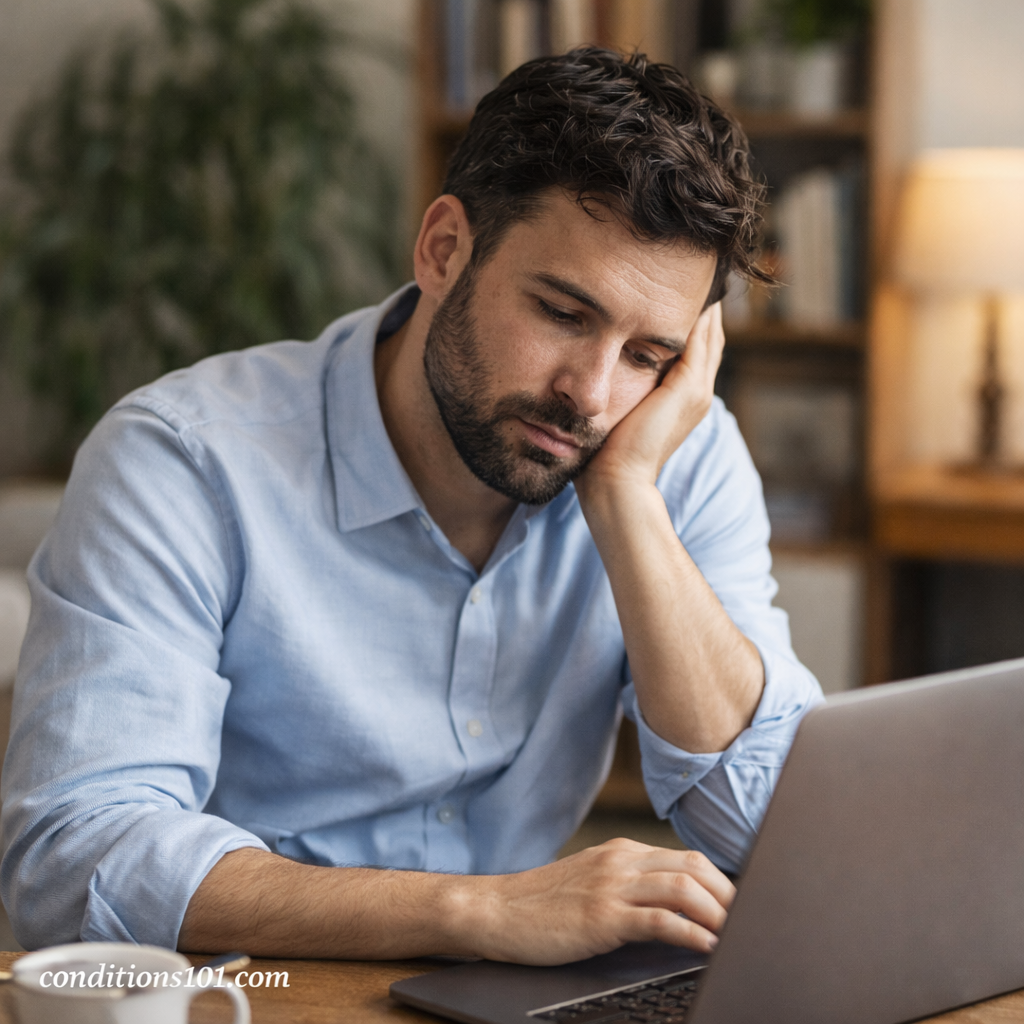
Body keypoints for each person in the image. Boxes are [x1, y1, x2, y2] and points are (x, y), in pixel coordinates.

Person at [1, 47, 822, 963]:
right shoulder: (184, 461)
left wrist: (627, 499)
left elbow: (769, 833)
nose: (591, 395)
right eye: (562, 312)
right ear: (443, 250)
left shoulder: (669, 453)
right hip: (250, 995)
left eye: (647, 354)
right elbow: (71, 865)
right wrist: (478, 912)